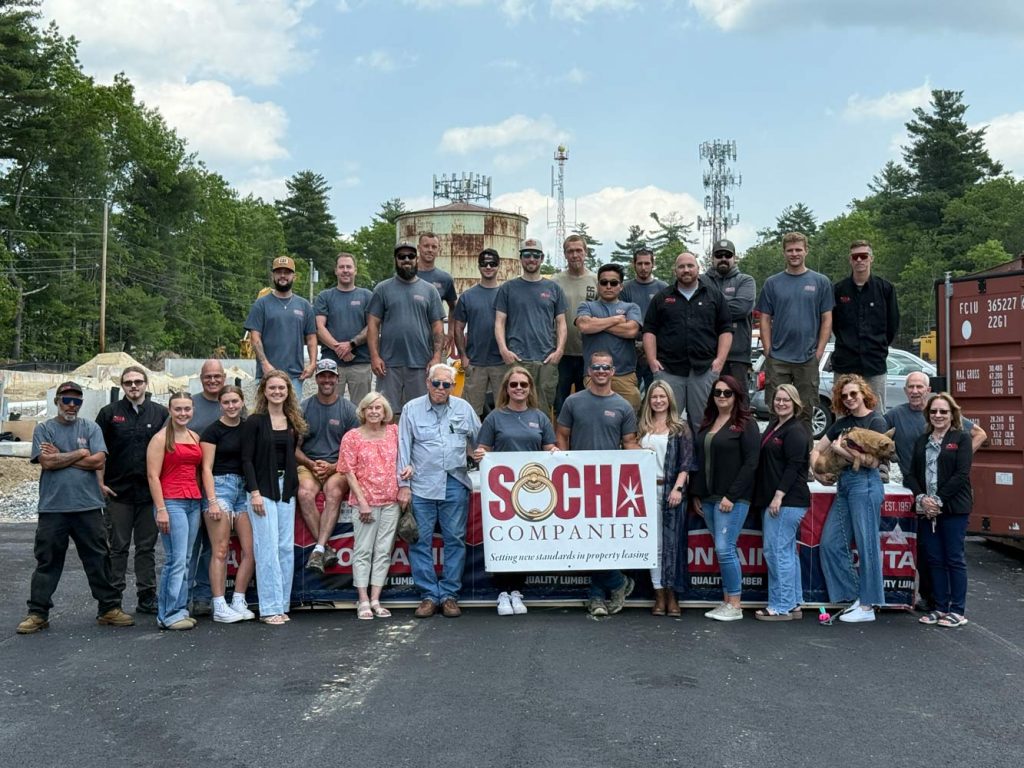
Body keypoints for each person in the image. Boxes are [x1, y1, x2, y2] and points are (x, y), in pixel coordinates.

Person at [16, 382, 135, 635]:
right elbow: (46, 462)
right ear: (57, 401)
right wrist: (81, 453)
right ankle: (38, 613)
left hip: (88, 506)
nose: (71, 405)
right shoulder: (44, 428)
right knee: (47, 560)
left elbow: (99, 460)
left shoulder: (91, 427)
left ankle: (109, 609)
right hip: (53, 508)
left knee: (98, 558)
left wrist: (65, 455)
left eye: (77, 401)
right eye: (66, 400)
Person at [885, 371, 986, 611]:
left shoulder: (955, 433)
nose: (915, 390)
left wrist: (957, 460)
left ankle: (955, 607)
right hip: (919, 495)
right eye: (911, 386)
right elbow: (880, 437)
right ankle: (934, 602)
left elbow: (978, 438)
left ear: (928, 389)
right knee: (929, 555)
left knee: (952, 556)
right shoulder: (902, 421)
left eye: (920, 386)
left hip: (949, 500)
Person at [556, 351, 641, 617]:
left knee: (602, 539)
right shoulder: (573, 402)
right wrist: (562, 467)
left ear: (613, 371)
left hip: (610, 484)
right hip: (578, 482)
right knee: (585, 540)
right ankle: (618, 582)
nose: (601, 371)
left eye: (606, 367)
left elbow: (629, 444)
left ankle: (597, 597)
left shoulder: (623, 406)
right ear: (589, 371)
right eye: (596, 367)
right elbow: (562, 435)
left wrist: (647, 458)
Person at [472, 366, 557, 616]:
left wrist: (552, 452)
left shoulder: (540, 417)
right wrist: (480, 454)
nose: (518, 388)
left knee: (525, 539)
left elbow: (549, 447)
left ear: (530, 388)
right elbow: (482, 450)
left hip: (533, 490)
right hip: (502, 490)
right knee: (504, 539)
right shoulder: (494, 417)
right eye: (514, 384)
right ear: (506, 388)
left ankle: (517, 591)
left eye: (523, 384)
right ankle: (502, 592)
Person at [398, 363, 481, 618]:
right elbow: (403, 447)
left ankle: (449, 595)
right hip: (421, 485)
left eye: (447, 384)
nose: (442, 389)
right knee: (419, 541)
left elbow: (480, 440)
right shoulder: (411, 409)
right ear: (427, 382)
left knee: (454, 539)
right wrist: (403, 485)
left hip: (455, 483)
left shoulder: (464, 408)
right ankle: (427, 595)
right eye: (437, 383)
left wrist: (481, 454)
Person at [811, 375, 887, 623]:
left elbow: (873, 462)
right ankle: (854, 597)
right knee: (830, 544)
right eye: (844, 396)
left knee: (867, 546)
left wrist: (839, 449)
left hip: (865, 485)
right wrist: (817, 472)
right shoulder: (842, 422)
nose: (849, 399)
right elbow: (816, 448)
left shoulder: (875, 420)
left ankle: (868, 605)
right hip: (843, 486)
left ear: (864, 393)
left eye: (853, 394)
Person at [95, 366, 168, 615]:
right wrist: (100, 483)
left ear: (146, 384)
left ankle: (146, 596)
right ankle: (112, 599)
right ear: (122, 385)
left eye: (138, 382)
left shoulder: (160, 414)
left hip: (149, 493)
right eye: (128, 383)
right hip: (119, 493)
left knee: (146, 548)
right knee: (117, 548)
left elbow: (169, 452)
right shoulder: (109, 414)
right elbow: (99, 452)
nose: (133, 386)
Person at [691, 375, 760, 621]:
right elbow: (699, 460)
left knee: (725, 548)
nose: (721, 396)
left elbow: (752, 462)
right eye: (717, 392)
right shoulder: (709, 421)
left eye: (727, 393)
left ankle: (735, 604)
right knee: (721, 550)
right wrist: (697, 494)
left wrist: (732, 495)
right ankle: (726, 601)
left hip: (733, 498)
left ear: (737, 395)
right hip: (708, 498)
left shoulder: (746, 423)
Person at [241, 371, 307, 625]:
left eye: (282, 388)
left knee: (284, 549)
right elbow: (246, 459)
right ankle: (269, 608)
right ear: (264, 391)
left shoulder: (292, 421)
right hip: (262, 488)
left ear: (288, 391)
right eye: (272, 388)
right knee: (266, 548)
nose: (277, 392)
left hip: (285, 487)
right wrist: (254, 492)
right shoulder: (255, 421)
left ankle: (282, 604)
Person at [642, 251, 732, 431]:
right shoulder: (662, 298)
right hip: (669, 370)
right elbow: (649, 330)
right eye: (681, 266)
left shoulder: (714, 296)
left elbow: (726, 330)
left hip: (704, 369)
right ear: (675, 271)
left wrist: (719, 361)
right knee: (666, 423)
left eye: (690, 266)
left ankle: (702, 460)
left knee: (703, 423)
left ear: (698, 269)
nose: (686, 270)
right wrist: (652, 361)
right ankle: (667, 459)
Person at [906, 393, 974, 628]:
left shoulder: (961, 438)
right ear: (928, 414)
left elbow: (961, 475)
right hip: (926, 510)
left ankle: (957, 610)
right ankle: (939, 606)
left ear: (952, 414)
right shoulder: (921, 440)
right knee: (934, 559)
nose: (938, 415)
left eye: (943, 411)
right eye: (934, 411)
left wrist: (938, 500)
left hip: (953, 508)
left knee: (954, 558)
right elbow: (911, 475)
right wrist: (923, 499)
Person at [756, 232, 834, 437]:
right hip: (778, 358)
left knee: (805, 411)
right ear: (784, 253)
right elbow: (764, 317)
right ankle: (773, 457)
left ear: (806, 251)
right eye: (790, 250)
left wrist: (819, 351)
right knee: (776, 410)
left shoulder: (821, 282)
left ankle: (802, 461)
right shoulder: (772, 283)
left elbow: (827, 318)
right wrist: (768, 349)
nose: (794, 254)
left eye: (798, 249)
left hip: (807, 358)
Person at [337, 392, 401, 621]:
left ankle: (376, 598)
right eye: (369, 408)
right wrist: (362, 502)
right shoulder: (352, 437)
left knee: (383, 552)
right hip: (365, 503)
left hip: (391, 501)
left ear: (385, 412)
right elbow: (347, 471)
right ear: (362, 411)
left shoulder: (394, 432)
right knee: (363, 551)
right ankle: (362, 599)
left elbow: (404, 458)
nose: (374, 412)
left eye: (378, 408)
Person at [636, 380, 695, 618]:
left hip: (670, 490)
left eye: (662, 396)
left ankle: (673, 595)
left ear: (669, 399)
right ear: (648, 400)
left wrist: (678, 489)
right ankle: (658, 593)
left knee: (673, 544)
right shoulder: (642, 428)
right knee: (654, 546)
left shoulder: (680, 427)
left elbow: (686, 462)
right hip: (644, 492)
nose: (658, 400)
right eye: (653, 397)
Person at [752, 384, 811, 621]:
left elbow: (794, 466)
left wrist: (778, 495)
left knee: (776, 552)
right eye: (778, 399)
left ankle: (780, 605)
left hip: (788, 501)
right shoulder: (776, 425)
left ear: (795, 403)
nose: (781, 403)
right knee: (786, 552)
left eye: (786, 400)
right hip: (779, 500)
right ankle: (794, 601)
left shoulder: (796, 430)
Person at [367, 241, 445, 416]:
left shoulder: (430, 290)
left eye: (410, 256)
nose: (406, 260)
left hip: (421, 364)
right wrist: (374, 356)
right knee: (386, 415)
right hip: (388, 365)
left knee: (421, 414)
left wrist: (437, 356)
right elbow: (372, 324)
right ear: (396, 260)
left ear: (417, 259)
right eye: (402, 257)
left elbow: (438, 327)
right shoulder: (382, 289)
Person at [199, 385, 257, 623]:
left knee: (251, 550)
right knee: (220, 550)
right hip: (220, 488)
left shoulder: (249, 428)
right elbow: (206, 468)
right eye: (226, 402)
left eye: (235, 401)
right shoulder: (212, 431)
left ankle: (238, 599)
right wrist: (212, 501)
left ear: (242, 402)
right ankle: (219, 604)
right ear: (220, 405)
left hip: (243, 490)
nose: (231, 406)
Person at [296, 359, 359, 574]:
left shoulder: (349, 409)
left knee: (333, 491)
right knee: (304, 493)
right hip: (309, 464)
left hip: (338, 466)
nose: (327, 380)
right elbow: (294, 449)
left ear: (337, 379)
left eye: (331, 376)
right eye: (322, 375)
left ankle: (319, 549)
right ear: (316, 379)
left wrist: (333, 467)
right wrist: (311, 464)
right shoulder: (303, 407)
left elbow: (355, 451)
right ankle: (326, 549)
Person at [146, 392, 203, 631]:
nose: (183, 413)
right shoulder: (160, 439)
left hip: (193, 502)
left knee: (187, 559)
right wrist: (161, 509)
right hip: (171, 502)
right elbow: (152, 476)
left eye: (187, 409)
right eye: (178, 409)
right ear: (170, 410)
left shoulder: (194, 436)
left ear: (192, 410)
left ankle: (180, 609)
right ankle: (167, 614)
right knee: (175, 560)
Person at [494, 238, 567, 415]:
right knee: (513, 406)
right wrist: (504, 350)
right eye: (527, 255)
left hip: (546, 359)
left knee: (542, 409)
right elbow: (499, 321)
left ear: (542, 258)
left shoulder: (553, 288)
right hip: (517, 358)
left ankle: (543, 443)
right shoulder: (508, 288)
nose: (531, 259)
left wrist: (559, 351)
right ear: (521, 258)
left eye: (536, 255)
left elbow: (561, 323)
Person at [831, 240, 900, 412]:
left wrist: (880, 345)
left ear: (871, 258)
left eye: (864, 256)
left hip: (874, 363)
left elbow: (893, 323)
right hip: (845, 363)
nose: (860, 260)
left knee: (876, 412)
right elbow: (833, 324)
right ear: (850, 260)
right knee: (843, 412)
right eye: (856, 256)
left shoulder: (885, 289)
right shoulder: (838, 290)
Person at [185, 359, 228, 618]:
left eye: (217, 376)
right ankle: (181, 597)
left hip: (220, 487)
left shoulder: (232, 404)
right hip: (189, 485)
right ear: (201, 378)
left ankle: (202, 596)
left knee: (212, 548)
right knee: (189, 545)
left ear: (224, 377)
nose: (213, 380)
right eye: (208, 376)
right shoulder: (191, 405)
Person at [244, 255, 317, 393]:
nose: (283, 276)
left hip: (295, 377)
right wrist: (265, 364)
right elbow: (254, 337)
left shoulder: (304, 305)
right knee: (265, 415)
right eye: (279, 272)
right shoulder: (261, 304)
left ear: (294, 276)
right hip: (267, 375)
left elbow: (311, 337)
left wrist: (312, 363)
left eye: (287, 272)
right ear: (273, 276)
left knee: (291, 415)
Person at [576, 262, 643, 410]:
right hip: (594, 374)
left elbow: (631, 331)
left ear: (621, 286)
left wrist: (597, 323)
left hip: (625, 376)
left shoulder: (631, 307)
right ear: (598, 285)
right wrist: (615, 320)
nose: (608, 286)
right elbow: (584, 326)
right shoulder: (586, 306)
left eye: (613, 283)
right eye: (604, 282)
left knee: (629, 424)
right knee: (594, 421)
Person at [314, 252, 374, 403]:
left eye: (349, 267)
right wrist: (339, 349)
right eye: (341, 267)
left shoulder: (367, 296)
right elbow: (319, 327)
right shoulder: (324, 296)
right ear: (336, 270)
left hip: (361, 362)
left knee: (362, 409)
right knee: (330, 407)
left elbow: (372, 326)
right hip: (331, 365)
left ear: (355, 270)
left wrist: (351, 344)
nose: (345, 270)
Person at [453, 248, 506, 417]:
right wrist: (463, 356)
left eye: (492, 263)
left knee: (504, 411)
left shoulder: (507, 294)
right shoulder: (468, 296)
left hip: (501, 363)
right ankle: (471, 444)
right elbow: (458, 328)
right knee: (470, 412)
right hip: (475, 362)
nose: (488, 267)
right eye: (484, 263)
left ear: (498, 266)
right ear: (479, 266)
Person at [552, 234, 598, 415]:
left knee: (585, 406)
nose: (575, 255)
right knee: (560, 405)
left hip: (588, 354)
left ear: (585, 252)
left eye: (579, 250)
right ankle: (558, 442)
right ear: (565, 254)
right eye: (570, 251)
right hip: (562, 354)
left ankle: (580, 443)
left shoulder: (596, 280)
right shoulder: (555, 282)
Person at [703, 238, 756, 386]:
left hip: (737, 357)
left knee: (739, 405)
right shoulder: (701, 281)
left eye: (728, 255)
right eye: (719, 255)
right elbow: (696, 310)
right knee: (707, 405)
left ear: (734, 257)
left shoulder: (746, 280)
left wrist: (710, 303)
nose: (723, 259)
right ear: (712, 258)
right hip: (706, 356)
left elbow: (742, 308)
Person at [621, 247, 668, 396]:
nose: (643, 268)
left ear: (653, 264)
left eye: (647, 263)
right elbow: (621, 317)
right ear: (633, 264)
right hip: (631, 349)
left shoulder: (663, 288)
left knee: (655, 392)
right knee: (631, 394)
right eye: (640, 263)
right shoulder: (625, 288)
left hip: (657, 349)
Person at [416, 232, 458, 354]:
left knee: (438, 373)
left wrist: (450, 333)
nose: (430, 250)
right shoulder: (407, 275)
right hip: (411, 341)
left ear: (438, 249)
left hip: (436, 343)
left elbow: (454, 307)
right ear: (419, 248)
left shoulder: (445, 279)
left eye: (434, 247)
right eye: (426, 246)